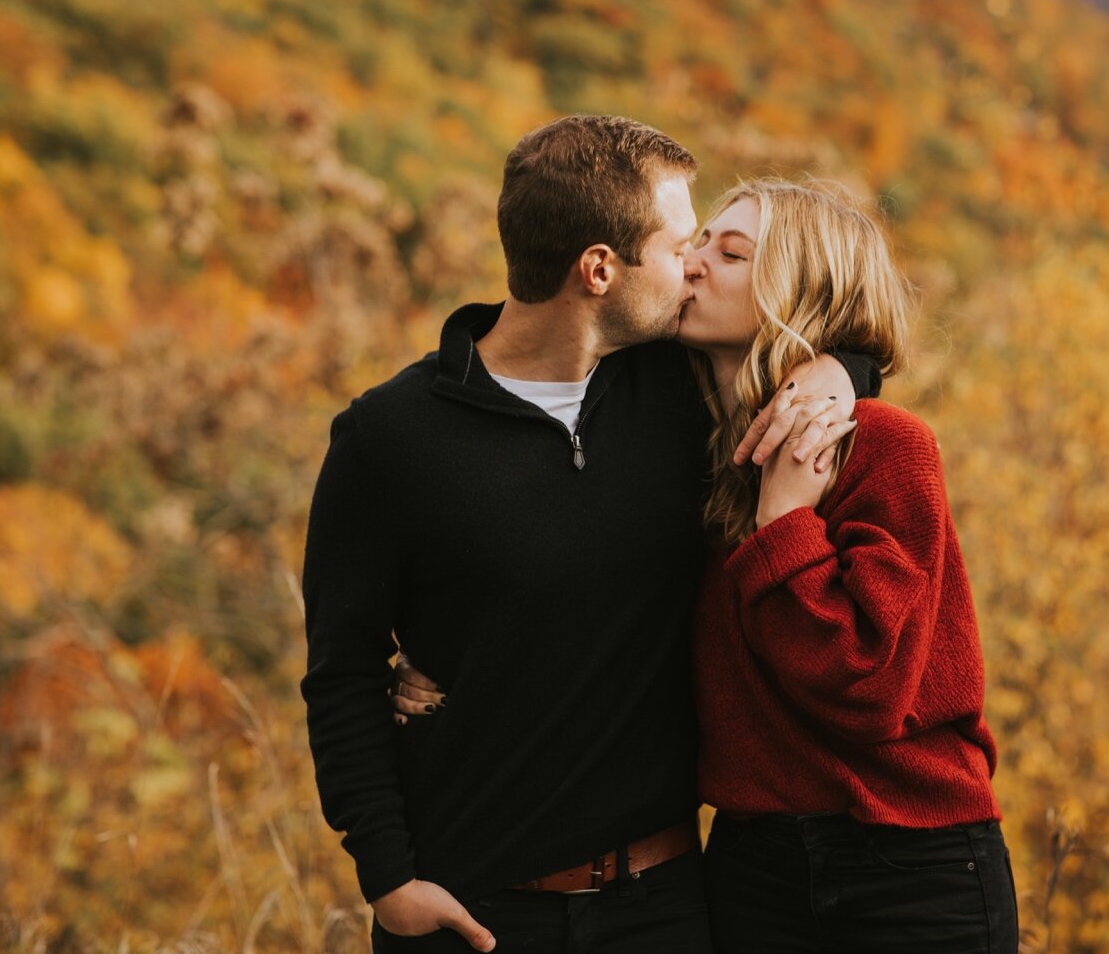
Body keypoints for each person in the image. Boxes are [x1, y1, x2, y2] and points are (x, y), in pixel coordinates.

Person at [301, 117, 876, 954]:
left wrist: (841, 373)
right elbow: (342, 669)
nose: (696, 268)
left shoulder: (682, 391)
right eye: (683, 246)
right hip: (473, 914)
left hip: (664, 907)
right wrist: (389, 880)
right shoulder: (389, 438)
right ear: (600, 268)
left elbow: (828, 332)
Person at [398, 178, 1018, 953]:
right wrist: (447, 651)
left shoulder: (885, 447)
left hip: (911, 862)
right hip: (751, 866)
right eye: (696, 245)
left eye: (730, 254)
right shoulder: (676, 436)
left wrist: (786, 520)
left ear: (801, 290)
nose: (692, 264)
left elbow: (867, 686)